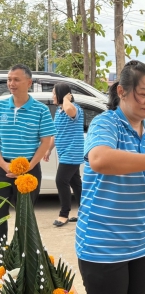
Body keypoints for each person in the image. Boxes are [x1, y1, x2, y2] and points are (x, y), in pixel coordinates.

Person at [75, 60, 145, 294]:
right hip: (103, 245)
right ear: (122, 92)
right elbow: (100, 159)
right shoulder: (106, 123)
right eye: (143, 94)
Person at [0, 64, 56, 238]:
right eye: (9, 79)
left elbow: (46, 142)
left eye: (16, 79)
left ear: (29, 82)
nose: (11, 83)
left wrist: (29, 166)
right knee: (0, 217)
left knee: (25, 218)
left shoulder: (41, 110)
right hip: (2, 169)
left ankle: (22, 258)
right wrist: (4, 165)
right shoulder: (1, 107)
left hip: (29, 171)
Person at [43, 83, 84, 227]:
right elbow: (56, 133)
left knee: (61, 180)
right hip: (65, 153)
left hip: (72, 153)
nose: (52, 96)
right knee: (76, 183)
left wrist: (66, 99)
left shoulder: (74, 108)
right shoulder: (59, 111)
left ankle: (64, 214)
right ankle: (85, 213)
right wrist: (48, 149)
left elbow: (70, 110)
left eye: (54, 93)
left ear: (61, 95)